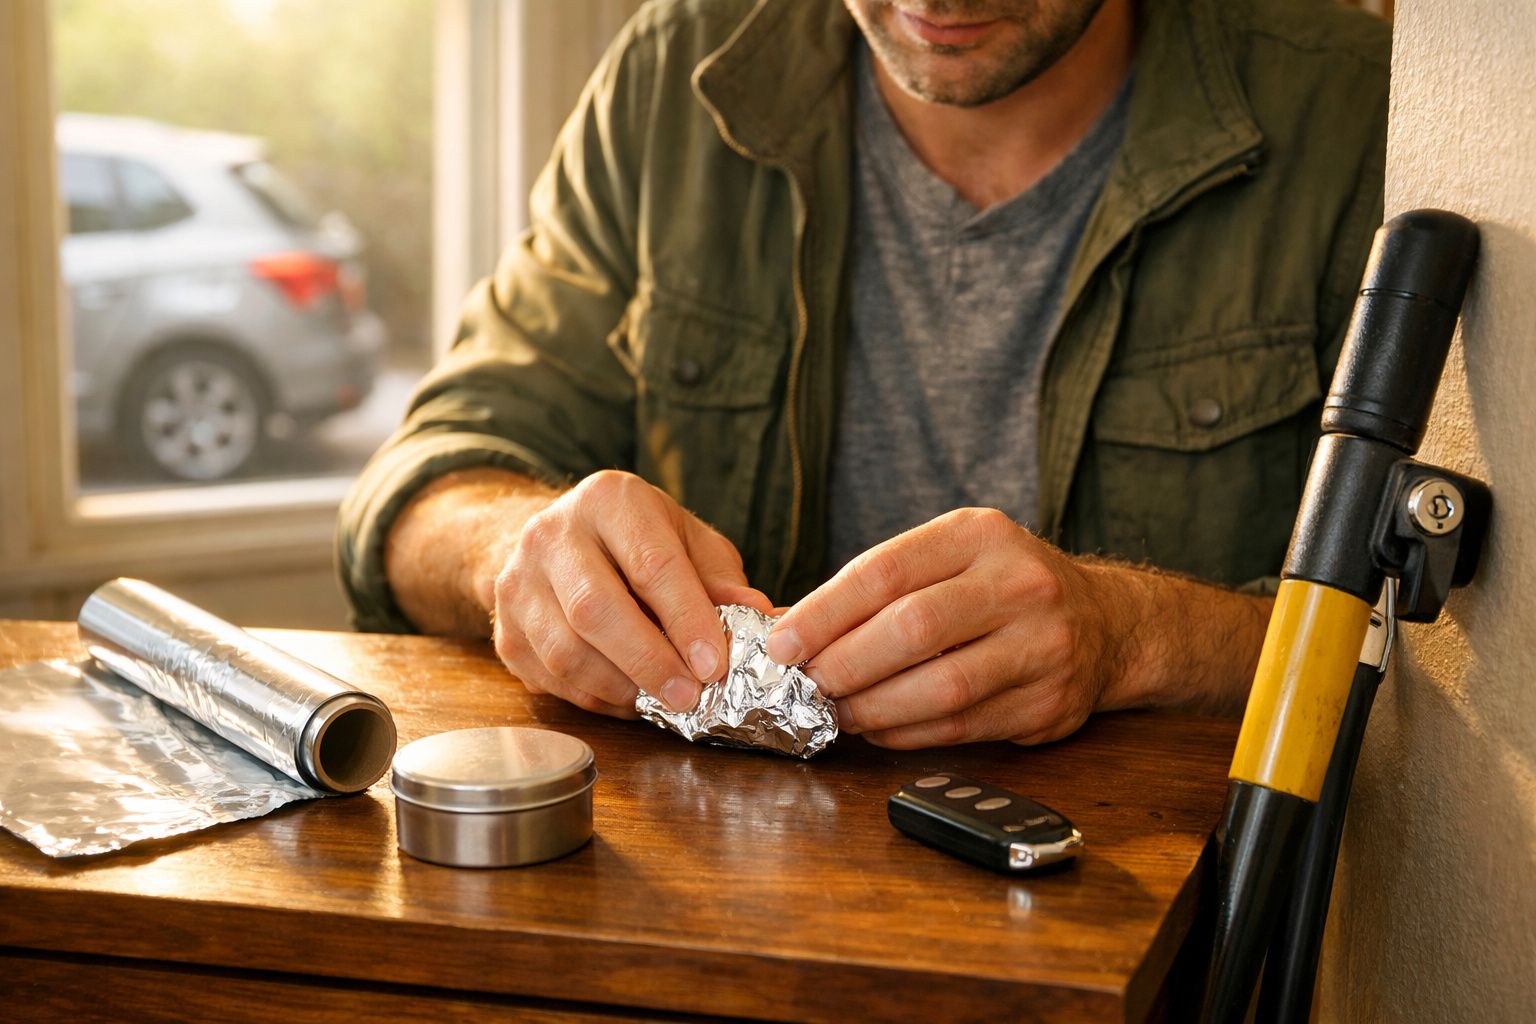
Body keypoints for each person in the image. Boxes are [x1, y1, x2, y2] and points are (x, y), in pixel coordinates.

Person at [338, 0, 1389, 749]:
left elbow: (1443, 658)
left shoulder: (1357, 110)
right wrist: (516, 555)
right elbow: (425, 483)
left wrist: (1134, 639)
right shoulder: (677, 69)